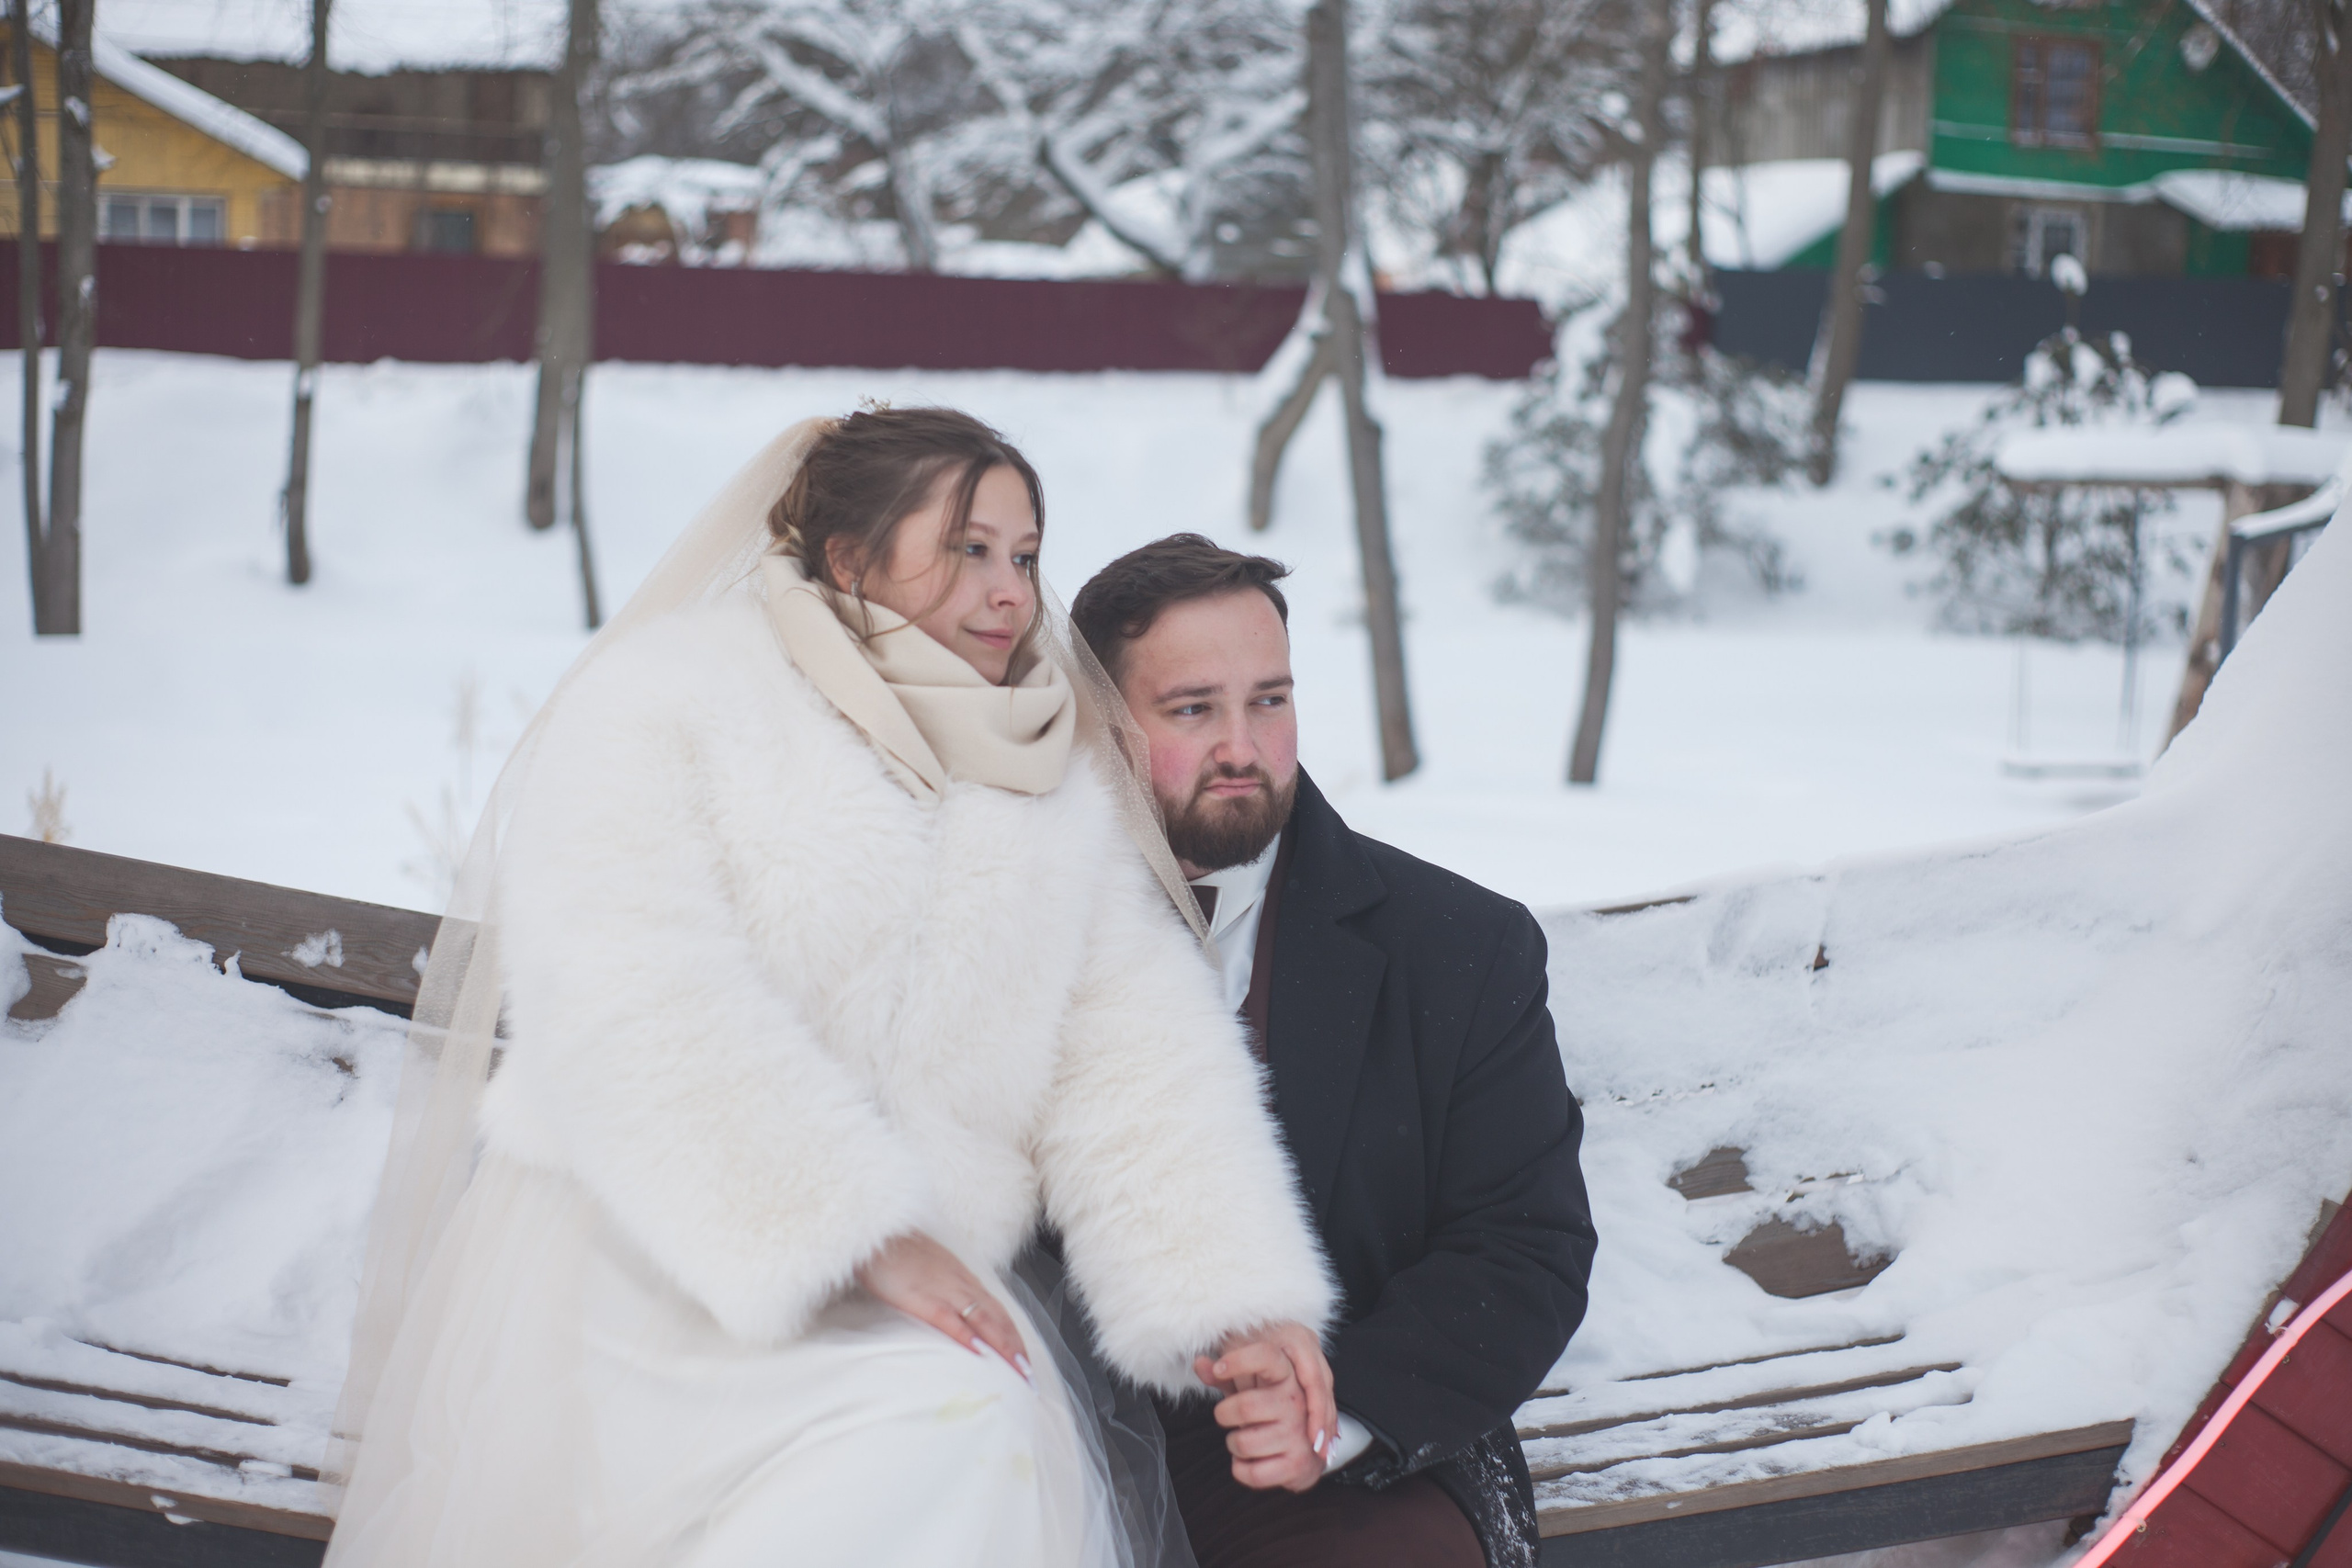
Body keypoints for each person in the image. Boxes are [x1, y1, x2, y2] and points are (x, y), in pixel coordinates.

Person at [322, 412, 1338, 1568]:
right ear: (847, 560)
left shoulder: (1048, 771)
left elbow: (1128, 1053)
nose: (1009, 591)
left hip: (918, 1301)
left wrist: (1233, 1300)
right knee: (934, 1430)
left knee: (967, 1419)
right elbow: (632, 993)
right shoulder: (671, 703)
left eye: (1023, 553)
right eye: (967, 549)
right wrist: (853, 1231)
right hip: (652, 1266)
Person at [1071, 536, 1598, 1568]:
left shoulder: (1457, 946)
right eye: (1192, 709)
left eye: (1269, 700)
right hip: (1055, 1434)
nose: (1243, 745)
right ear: (1102, 725)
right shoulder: (1018, 926)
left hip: (1349, 1459)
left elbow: (1524, 1249)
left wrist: (1336, 1407)